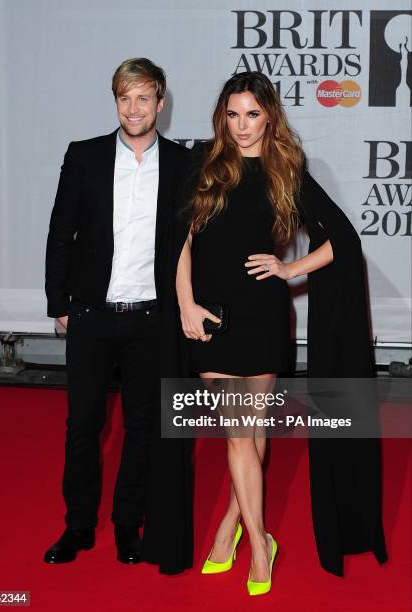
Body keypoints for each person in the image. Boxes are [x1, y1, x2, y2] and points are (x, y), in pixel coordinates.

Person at [173, 71, 387, 593]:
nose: (241, 126)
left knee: (248, 434)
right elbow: (177, 241)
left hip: (264, 316)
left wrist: (291, 269)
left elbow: (343, 239)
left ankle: (239, 536)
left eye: (252, 114)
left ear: (269, 116)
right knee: (240, 434)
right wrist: (186, 304)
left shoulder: (286, 168)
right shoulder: (201, 163)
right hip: (214, 317)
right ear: (221, 115)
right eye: (232, 114)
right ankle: (256, 540)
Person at [43, 58, 189, 566]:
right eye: (124, 98)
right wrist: (58, 302)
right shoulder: (83, 157)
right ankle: (79, 525)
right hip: (92, 314)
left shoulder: (181, 164)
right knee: (82, 426)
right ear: (116, 102)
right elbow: (62, 231)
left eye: (143, 98)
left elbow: (192, 243)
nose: (134, 108)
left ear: (161, 103)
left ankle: (129, 522)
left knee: (143, 426)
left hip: (151, 317)